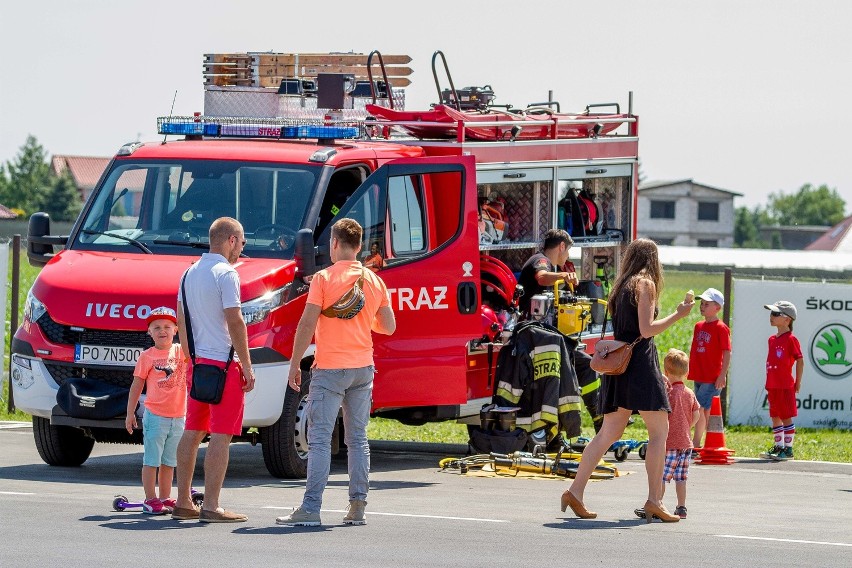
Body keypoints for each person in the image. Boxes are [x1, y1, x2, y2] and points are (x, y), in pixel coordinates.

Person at [560, 238, 694, 522]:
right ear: (653, 260)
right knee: (660, 432)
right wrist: (679, 315)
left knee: (608, 433)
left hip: (618, 365)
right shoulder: (645, 284)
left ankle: (575, 491)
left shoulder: (622, 286)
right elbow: (646, 330)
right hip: (639, 365)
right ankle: (654, 500)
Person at [277, 218, 396, 527]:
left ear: (334, 244)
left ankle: (311, 508)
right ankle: (357, 507)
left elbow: (306, 323)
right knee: (358, 439)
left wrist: (293, 364)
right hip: (363, 368)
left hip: (330, 369)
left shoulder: (323, 278)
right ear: (358, 246)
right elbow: (389, 326)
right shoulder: (374, 280)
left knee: (318, 440)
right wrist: (361, 319)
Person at [172, 217, 255, 522]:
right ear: (231, 239)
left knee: (192, 432)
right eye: (242, 242)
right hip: (223, 365)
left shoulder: (188, 274)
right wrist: (247, 366)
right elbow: (235, 321)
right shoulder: (226, 273)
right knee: (221, 435)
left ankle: (182, 502)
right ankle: (211, 505)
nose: (242, 249)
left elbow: (181, 320)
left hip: (197, 364)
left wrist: (190, 357)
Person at [517, 229, 601, 433]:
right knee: (584, 366)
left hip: (546, 336)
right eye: (568, 251)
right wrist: (564, 275)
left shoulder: (547, 262)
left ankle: (600, 419)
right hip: (535, 336)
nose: (568, 257)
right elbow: (542, 277)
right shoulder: (542, 261)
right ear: (561, 246)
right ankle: (599, 422)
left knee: (585, 365)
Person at [125, 306, 187, 515]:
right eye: (157, 327)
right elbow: (136, 386)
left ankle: (164, 497)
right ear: (149, 332)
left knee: (169, 461)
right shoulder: (147, 356)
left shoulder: (181, 351)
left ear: (176, 330)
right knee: (152, 460)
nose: (163, 330)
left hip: (178, 417)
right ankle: (150, 499)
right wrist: (130, 412)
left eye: (168, 326)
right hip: (155, 416)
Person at [635, 349, 699, 520]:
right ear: (686, 373)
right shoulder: (690, 393)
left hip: (670, 442)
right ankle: (682, 507)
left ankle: (657, 502)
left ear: (666, 372)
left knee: (661, 476)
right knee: (681, 478)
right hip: (685, 443)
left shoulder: (668, 393)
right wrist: (687, 426)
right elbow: (697, 415)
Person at [759, 301, 804, 461]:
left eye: (776, 314)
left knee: (786, 416)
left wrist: (797, 381)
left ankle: (788, 449)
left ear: (787, 320)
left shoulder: (791, 339)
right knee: (775, 416)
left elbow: (800, 360)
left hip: (785, 384)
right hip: (772, 384)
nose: (772, 316)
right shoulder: (772, 339)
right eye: (772, 313)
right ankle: (778, 447)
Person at [688, 288, 731, 450]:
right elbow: (695, 351)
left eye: (707, 304)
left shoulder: (721, 328)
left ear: (717, 308)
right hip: (699, 375)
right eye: (702, 303)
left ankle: (695, 443)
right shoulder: (699, 326)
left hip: (712, 377)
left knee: (699, 408)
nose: (702, 306)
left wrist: (722, 374)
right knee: (703, 410)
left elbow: (727, 352)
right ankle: (700, 442)